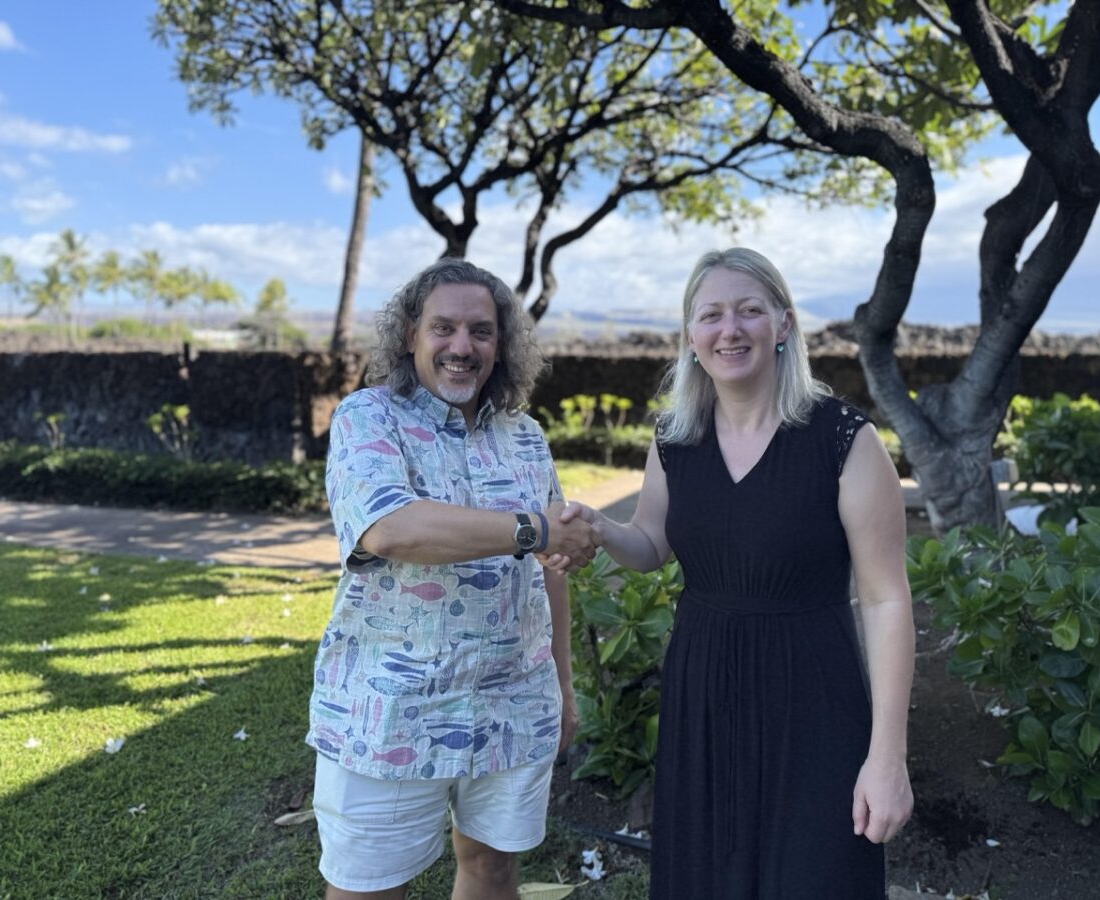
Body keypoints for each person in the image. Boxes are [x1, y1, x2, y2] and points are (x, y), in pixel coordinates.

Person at [553, 247, 914, 897]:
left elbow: (887, 600)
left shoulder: (845, 441)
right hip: (704, 694)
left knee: (815, 875)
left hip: (814, 700)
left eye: (750, 311)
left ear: (784, 324)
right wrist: (603, 531)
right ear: (691, 337)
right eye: (711, 314)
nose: (731, 329)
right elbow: (651, 542)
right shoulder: (675, 438)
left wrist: (887, 757)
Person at [307, 258, 596, 900]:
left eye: (481, 331)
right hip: (388, 710)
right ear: (410, 334)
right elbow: (391, 529)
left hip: (513, 702)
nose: (462, 347)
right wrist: (537, 528)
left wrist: (564, 686)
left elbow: (551, 577)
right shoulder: (368, 418)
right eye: (444, 328)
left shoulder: (525, 437)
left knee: (492, 870)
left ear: (501, 345)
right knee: (366, 888)